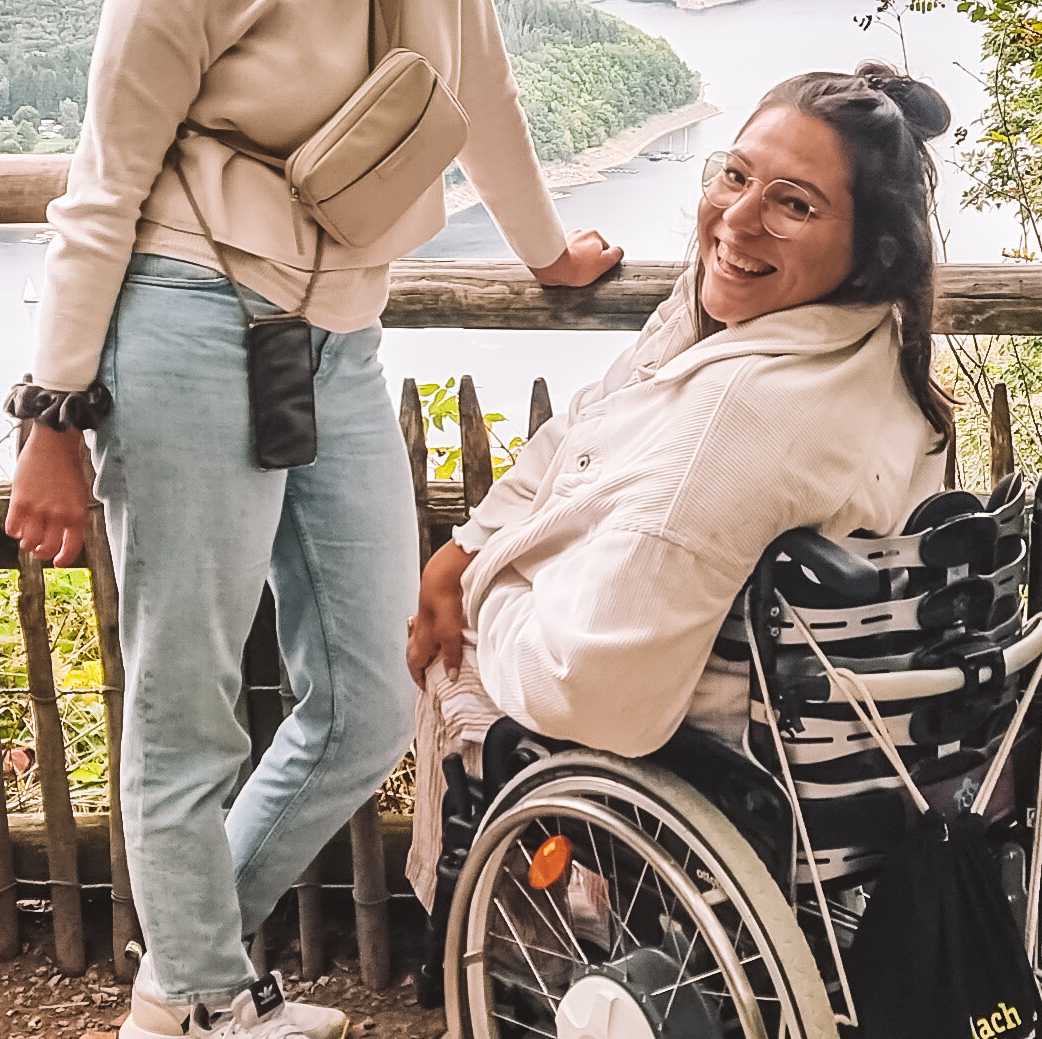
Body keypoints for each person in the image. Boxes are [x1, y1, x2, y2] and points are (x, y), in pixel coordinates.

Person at [2, 0, 620, 1039]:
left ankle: (180, 970)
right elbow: (99, 191)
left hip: (338, 330)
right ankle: (214, 1004)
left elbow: (472, 83)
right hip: (187, 314)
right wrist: (52, 420)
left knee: (366, 692)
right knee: (189, 693)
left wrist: (543, 251)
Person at [404, 63, 958, 807]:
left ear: (871, 247)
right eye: (733, 176)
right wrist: (466, 544)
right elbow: (587, 421)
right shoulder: (863, 340)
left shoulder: (739, 415)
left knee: (438, 664)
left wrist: (489, 587)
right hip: (825, 754)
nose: (735, 221)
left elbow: (588, 698)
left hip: (681, 780)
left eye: (792, 205)